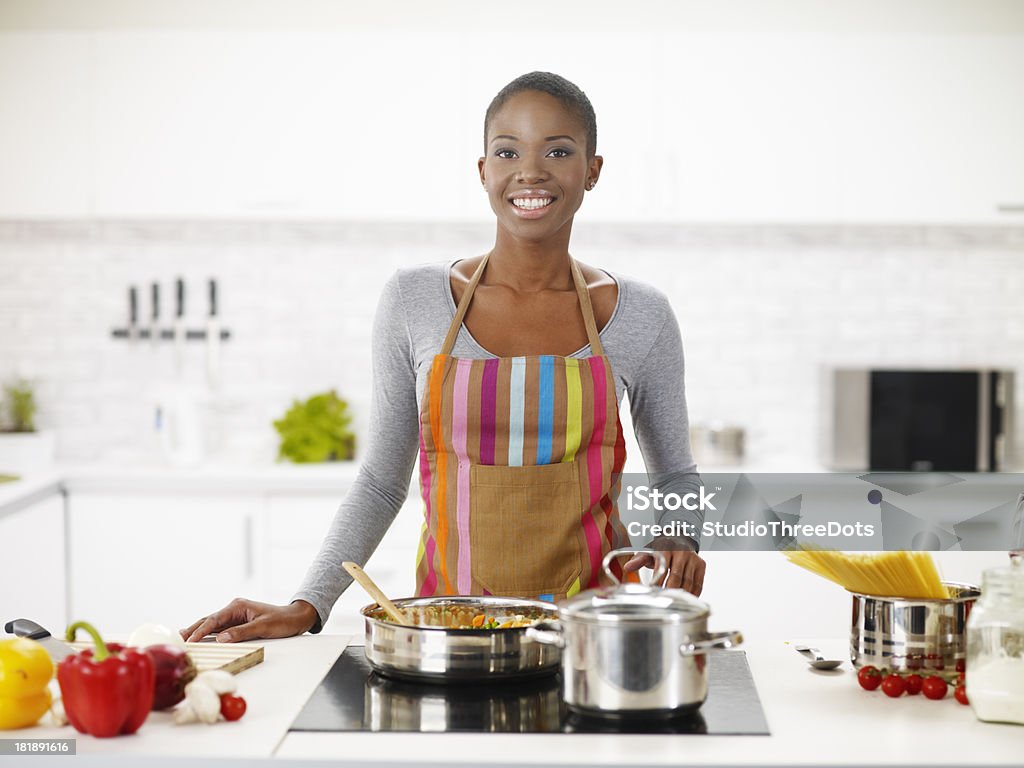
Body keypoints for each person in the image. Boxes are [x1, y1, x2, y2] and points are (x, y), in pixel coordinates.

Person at [181, 72, 706, 644]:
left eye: (558, 150)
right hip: (446, 639)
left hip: (590, 638)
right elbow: (383, 480)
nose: (530, 171)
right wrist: (309, 604)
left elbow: (676, 474)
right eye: (508, 151)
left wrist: (678, 536)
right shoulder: (416, 300)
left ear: (592, 170)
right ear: (483, 171)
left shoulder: (641, 314)